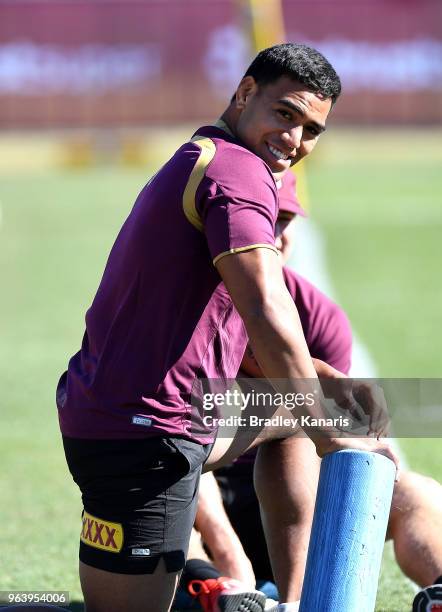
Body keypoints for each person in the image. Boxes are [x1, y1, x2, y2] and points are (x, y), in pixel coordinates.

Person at [57, 43, 398, 612]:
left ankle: (292, 603)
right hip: (146, 433)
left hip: (142, 413)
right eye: (285, 114)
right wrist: (326, 427)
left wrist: (324, 386)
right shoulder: (238, 174)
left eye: (311, 129)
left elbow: (245, 335)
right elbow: (265, 305)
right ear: (244, 94)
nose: (295, 139)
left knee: (292, 415)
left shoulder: (209, 155)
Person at [175, 184, 442, 612]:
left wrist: (374, 462)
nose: (275, 235)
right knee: (166, 502)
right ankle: (222, 588)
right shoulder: (191, 309)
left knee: (419, 495)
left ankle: (436, 592)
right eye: (263, 222)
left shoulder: (317, 314)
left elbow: (344, 426)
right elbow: (175, 438)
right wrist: (230, 552)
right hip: (210, 493)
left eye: (284, 221)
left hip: (298, 503)